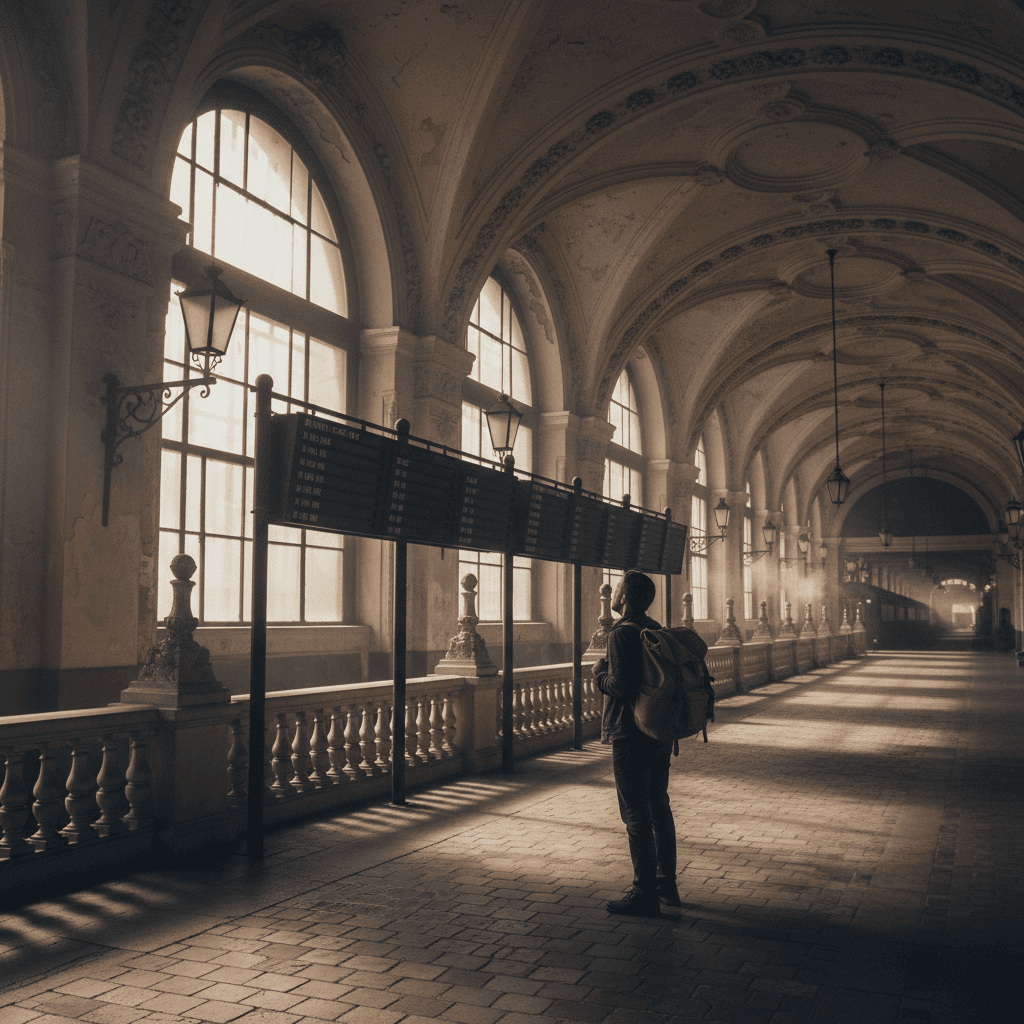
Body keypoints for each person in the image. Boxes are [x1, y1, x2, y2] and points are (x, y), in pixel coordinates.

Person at [594, 570, 680, 917]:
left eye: (617, 588)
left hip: (629, 733)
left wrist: (599, 675)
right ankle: (666, 885)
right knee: (659, 807)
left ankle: (644, 893)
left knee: (636, 815)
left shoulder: (621, 633)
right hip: (658, 731)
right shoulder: (654, 627)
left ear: (625, 597)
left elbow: (622, 686)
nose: (614, 592)